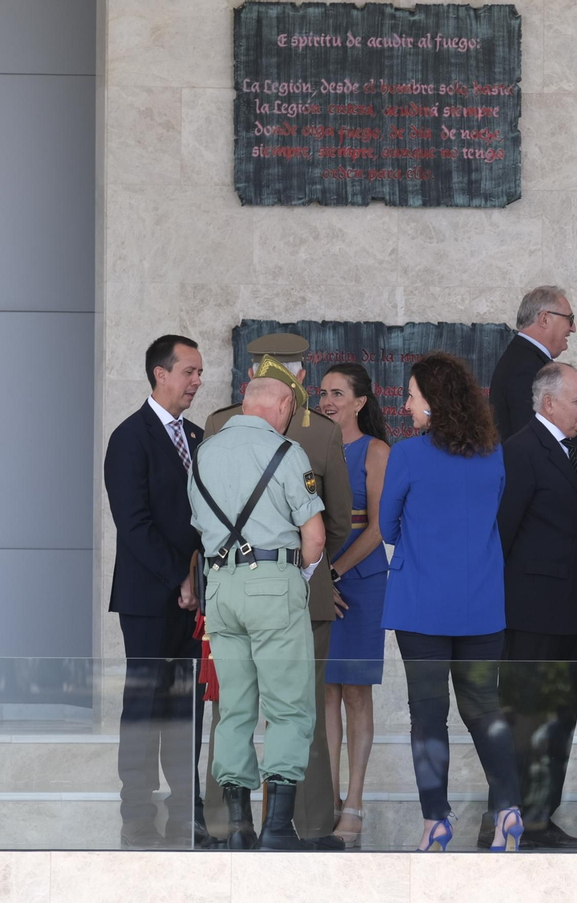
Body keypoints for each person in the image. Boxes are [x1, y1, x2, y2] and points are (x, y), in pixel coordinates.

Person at [206, 333, 351, 849]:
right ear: (287, 401)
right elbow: (319, 534)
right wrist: (303, 577)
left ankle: (237, 827)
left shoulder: (206, 448)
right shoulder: (288, 449)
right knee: (290, 707)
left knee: (234, 709)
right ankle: (278, 829)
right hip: (277, 585)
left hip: (219, 588)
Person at [380, 352, 523, 852]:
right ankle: (507, 809)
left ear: (435, 404)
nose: (407, 404)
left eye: (413, 396)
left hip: (421, 603)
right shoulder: (493, 454)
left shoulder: (407, 455)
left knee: (428, 714)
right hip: (482, 603)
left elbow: (386, 526)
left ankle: (436, 821)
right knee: (484, 707)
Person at [103, 334, 210, 850]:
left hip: (195, 600)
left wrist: (200, 581)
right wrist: (180, 577)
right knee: (146, 705)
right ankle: (137, 815)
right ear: (159, 374)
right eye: (189, 371)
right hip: (149, 600)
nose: (197, 381)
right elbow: (134, 524)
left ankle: (185, 810)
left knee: (187, 706)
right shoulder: (130, 437)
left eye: (199, 372)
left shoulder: (196, 435)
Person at [493, 363, 577, 850]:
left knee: (559, 718)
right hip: (532, 615)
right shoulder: (520, 451)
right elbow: (503, 536)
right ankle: (512, 819)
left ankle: (539, 816)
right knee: (526, 719)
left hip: (571, 613)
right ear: (548, 403)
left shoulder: (570, 447)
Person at [316, 362, 391, 848]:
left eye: (336, 393)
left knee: (356, 692)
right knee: (324, 691)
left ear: (360, 401)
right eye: (322, 392)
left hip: (359, 582)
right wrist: (316, 580)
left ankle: (355, 800)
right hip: (317, 580)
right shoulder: (308, 447)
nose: (326, 401)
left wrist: (334, 575)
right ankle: (327, 795)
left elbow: (381, 526)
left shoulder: (377, 450)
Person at [488, 286, 576, 440]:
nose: (573, 328)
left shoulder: (525, 358)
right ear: (544, 319)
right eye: (570, 319)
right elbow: (531, 440)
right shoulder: (526, 368)